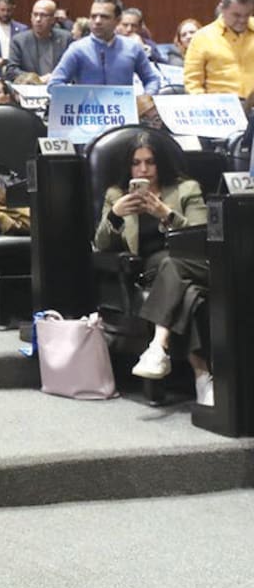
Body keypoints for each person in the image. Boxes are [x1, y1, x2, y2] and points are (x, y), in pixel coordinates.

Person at [94, 132, 211, 404]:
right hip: (150, 271)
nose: (143, 170)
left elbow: (201, 236)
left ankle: (158, 346)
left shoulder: (186, 189)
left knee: (173, 264)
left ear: (162, 163)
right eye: (136, 163)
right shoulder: (116, 195)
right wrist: (115, 216)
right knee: (189, 294)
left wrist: (166, 215)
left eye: (150, 162)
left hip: (193, 263)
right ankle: (203, 376)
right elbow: (100, 244)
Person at [49, 0, 161, 93]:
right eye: (93, 16)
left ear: (118, 20)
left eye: (104, 17)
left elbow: (152, 80)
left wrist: (147, 97)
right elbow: (54, 84)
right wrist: (75, 99)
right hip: (87, 108)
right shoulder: (77, 49)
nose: (97, 21)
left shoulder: (132, 47)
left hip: (123, 108)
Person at [184, 0, 254, 97]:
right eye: (236, 15)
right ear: (222, 9)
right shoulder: (202, 38)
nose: (242, 20)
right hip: (221, 106)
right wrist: (204, 104)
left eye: (247, 15)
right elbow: (193, 83)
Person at [5, 0, 71, 82]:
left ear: (53, 19)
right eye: (35, 15)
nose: (38, 19)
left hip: (57, 86)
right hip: (29, 88)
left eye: (43, 15)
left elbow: (72, 67)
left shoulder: (66, 39)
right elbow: (11, 71)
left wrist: (55, 77)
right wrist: (36, 80)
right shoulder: (19, 41)